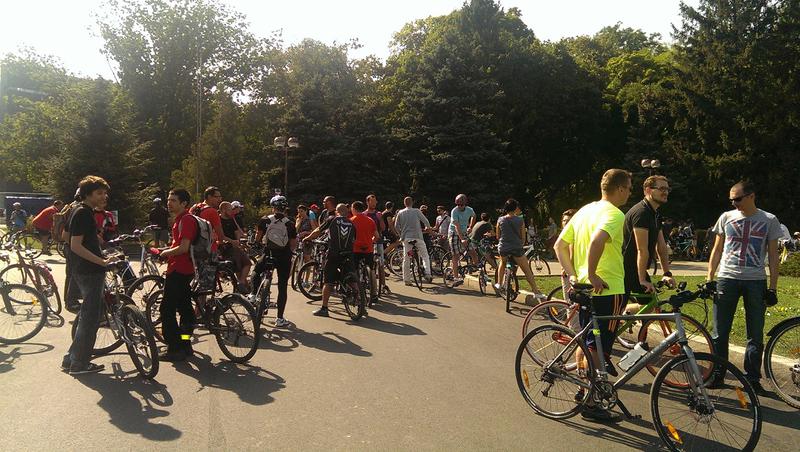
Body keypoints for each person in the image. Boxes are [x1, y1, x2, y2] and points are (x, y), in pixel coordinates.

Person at [553, 168, 632, 423]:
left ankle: (584, 391)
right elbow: (597, 241)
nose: (630, 194)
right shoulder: (615, 214)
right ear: (620, 188)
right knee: (600, 347)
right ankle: (591, 403)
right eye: (629, 189)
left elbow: (559, 246)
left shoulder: (585, 210)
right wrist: (593, 272)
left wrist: (574, 275)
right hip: (608, 288)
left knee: (588, 343)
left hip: (585, 288)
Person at [706, 181, 781, 394]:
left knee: (755, 332)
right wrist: (710, 277)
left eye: (737, 199)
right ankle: (718, 373)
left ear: (751, 196)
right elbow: (717, 249)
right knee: (720, 332)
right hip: (727, 278)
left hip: (755, 280)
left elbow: (773, 255)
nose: (734, 203)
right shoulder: (726, 217)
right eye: (731, 199)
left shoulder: (769, 220)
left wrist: (773, 287)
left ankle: (752, 379)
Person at [61, 176, 116, 375]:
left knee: (87, 316)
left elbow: (65, 237)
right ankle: (79, 364)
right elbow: (75, 245)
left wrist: (96, 244)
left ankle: (71, 358)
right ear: (87, 194)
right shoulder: (84, 213)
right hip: (90, 272)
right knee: (90, 319)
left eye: (105, 193)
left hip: (80, 269)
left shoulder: (76, 209)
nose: (104, 196)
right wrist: (101, 261)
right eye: (99, 193)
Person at [157, 188, 198, 362]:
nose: (169, 203)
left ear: (184, 203)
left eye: (173, 200)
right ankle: (186, 344)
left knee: (167, 309)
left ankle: (174, 348)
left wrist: (165, 253)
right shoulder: (181, 219)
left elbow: (183, 248)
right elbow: (179, 245)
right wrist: (167, 250)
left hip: (179, 270)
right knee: (185, 309)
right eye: (168, 199)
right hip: (185, 269)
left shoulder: (186, 220)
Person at [622, 175, 676, 300]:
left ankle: (627, 312)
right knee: (618, 309)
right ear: (648, 190)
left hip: (635, 269)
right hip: (624, 270)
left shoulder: (655, 214)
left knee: (650, 303)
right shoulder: (641, 213)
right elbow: (642, 249)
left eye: (667, 189)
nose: (665, 192)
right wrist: (642, 280)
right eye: (661, 189)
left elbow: (661, 246)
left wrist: (667, 273)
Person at [303, 203, 356, 317]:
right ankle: (359, 301)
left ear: (337, 211)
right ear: (347, 212)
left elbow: (318, 230)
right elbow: (354, 239)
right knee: (352, 278)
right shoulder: (351, 223)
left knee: (328, 281)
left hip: (334, 253)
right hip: (348, 253)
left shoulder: (332, 219)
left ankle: (324, 308)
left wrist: (307, 238)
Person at [252, 195, 297, 327]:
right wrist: (290, 253)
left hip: (269, 254)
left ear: (273, 207)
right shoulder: (290, 223)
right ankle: (280, 318)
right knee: (282, 287)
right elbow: (293, 243)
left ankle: (253, 294)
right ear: (285, 208)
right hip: (284, 257)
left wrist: (257, 244)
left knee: (256, 271)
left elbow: (258, 236)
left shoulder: (265, 220)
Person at [494, 199, 545, 297]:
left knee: (502, 263)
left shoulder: (500, 220)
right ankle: (536, 291)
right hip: (516, 248)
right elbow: (523, 237)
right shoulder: (520, 220)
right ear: (515, 208)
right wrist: (520, 244)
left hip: (503, 247)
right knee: (527, 270)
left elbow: (498, 236)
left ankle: (499, 283)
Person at [394, 197, 432, 286]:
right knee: (425, 255)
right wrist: (428, 228)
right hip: (418, 237)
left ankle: (407, 279)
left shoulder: (400, 212)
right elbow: (426, 221)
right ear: (412, 203)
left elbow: (396, 226)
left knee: (406, 258)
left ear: (404, 203)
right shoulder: (416, 211)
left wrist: (401, 235)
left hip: (406, 238)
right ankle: (427, 273)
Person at [351, 200, 381, 304]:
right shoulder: (370, 220)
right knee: (371, 270)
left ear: (354, 209)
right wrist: (371, 241)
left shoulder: (351, 220)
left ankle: (356, 293)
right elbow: (377, 236)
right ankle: (374, 293)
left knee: (354, 270)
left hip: (356, 249)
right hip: (368, 249)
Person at [219, 201, 251, 290]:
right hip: (225, 248)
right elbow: (220, 236)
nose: (231, 211)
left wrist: (239, 241)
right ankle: (241, 284)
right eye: (229, 209)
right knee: (241, 265)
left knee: (246, 263)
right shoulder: (218, 220)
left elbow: (236, 232)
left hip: (234, 247)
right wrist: (232, 241)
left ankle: (241, 283)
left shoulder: (231, 219)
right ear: (223, 210)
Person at [61, 190, 84, 313]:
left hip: (68, 245)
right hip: (72, 246)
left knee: (71, 274)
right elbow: (67, 233)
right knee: (74, 274)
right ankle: (71, 301)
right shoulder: (78, 209)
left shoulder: (71, 206)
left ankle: (69, 299)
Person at [448, 194, 477, 286]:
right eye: (458, 204)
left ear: (465, 204)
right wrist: (462, 239)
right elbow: (456, 226)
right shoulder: (454, 211)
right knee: (456, 255)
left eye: (461, 204)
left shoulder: (469, 210)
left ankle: (477, 269)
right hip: (454, 233)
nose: (459, 206)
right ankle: (456, 278)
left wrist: (470, 226)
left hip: (464, 232)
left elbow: (474, 216)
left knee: (473, 251)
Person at [365, 194, 388, 294]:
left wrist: (380, 218)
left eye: (375, 202)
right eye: (372, 201)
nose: (374, 203)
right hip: (368, 242)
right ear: (367, 202)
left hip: (378, 241)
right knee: (367, 263)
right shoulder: (364, 214)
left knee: (381, 263)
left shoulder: (378, 214)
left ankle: (383, 285)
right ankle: (368, 282)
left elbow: (383, 228)